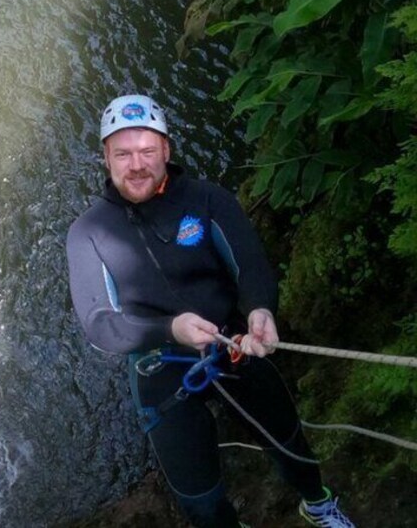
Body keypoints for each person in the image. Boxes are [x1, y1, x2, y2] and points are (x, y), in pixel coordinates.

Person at [66, 94, 356, 528]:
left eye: (147, 151)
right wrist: (171, 328)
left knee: (289, 441)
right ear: (105, 158)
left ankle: (317, 503)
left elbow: (250, 264)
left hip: (235, 342)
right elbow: (100, 325)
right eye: (122, 154)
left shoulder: (206, 200)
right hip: (159, 363)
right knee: (199, 498)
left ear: (166, 150)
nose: (136, 165)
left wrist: (260, 309)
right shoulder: (89, 233)